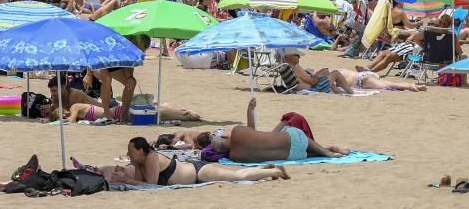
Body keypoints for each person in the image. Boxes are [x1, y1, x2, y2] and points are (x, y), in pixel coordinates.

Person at [211, 98, 349, 163]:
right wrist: (250, 109)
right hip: (295, 139)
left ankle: (327, 150)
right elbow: (251, 129)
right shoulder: (237, 132)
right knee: (295, 124)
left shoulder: (235, 157)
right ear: (224, 138)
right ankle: (326, 151)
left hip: (293, 156)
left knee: (300, 149)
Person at [107, 136, 289, 186]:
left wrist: (127, 180)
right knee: (236, 176)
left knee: (237, 177)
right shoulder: (140, 161)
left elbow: (151, 185)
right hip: (194, 174)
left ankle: (275, 172)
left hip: (198, 172)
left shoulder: (152, 157)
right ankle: (265, 169)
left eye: (131, 151)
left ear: (140, 150)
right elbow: (141, 183)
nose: (128, 154)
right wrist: (126, 177)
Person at [94, 34, 149, 124]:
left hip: (114, 63)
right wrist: (88, 74)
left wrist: (130, 77)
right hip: (100, 60)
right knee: (107, 79)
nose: (144, 51)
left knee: (131, 83)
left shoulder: (134, 49)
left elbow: (130, 65)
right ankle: (106, 114)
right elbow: (98, 52)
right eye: (144, 48)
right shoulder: (121, 42)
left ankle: (124, 116)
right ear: (137, 43)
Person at [283, 48, 354, 94]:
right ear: (289, 57)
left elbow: (307, 80)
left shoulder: (287, 66)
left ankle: (337, 91)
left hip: (309, 87)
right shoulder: (296, 68)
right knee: (336, 73)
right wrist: (319, 76)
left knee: (324, 71)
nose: (299, 57)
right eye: (297, 55)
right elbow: (312, 82)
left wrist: (317, 74)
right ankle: (350, 91)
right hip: (315, 89)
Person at [68, 101, 201, 123]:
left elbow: (71, 121)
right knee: (159, 112)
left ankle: (187, 114)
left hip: (117, 112)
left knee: (161, 114)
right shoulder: (77, 109)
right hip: (118, 112)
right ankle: (182, 111)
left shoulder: (74, 107)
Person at [337, 68, 427, 92]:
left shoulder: (334, 76)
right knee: (388, 83)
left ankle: (410, 86)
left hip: (361, 80)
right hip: (365, 75)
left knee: (390, 85)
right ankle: (411, 86)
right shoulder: (341, 71)